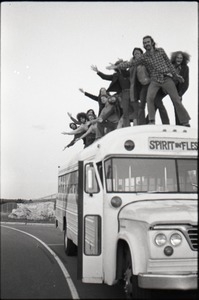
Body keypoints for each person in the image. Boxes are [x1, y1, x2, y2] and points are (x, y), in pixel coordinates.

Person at [107, 35, 191, 127]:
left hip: (166, 78)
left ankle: (185, 121)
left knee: (176, 99)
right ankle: (151, 120)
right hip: (154, 80)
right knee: (149, 98)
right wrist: (116, 66)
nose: (146, 44)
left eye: (148, 42)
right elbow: (131, 63)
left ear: (152, 42)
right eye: (144, 43)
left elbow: (169, 64)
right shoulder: (144, 57)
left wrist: (176, 75)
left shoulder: (161, 51)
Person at [130, 47, 170, 125]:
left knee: (158, 103)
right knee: (141, 105)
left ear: (141, 54)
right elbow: (128, 75)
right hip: (143, 87)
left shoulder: (147, 62)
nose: (136, 54)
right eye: (135, 54)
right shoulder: (134, 66)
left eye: (138, 53)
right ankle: (142, 124)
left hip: (152, 84)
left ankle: (166, 123)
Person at [91, 62, 135, 127]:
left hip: (132, 92)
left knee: (134, 108)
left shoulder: (129, 72)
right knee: (123, 108)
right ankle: (125, 125)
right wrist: (98, 71)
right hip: (122, 94)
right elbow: (105, 77)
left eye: (121, 65)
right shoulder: (116, 75)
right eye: (119, 66)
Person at [170, 51, 190, 125]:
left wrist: (180, 94)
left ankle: (181, 123)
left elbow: (186, 83)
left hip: (177, 89)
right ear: (174, 58)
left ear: (183, 59)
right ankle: (149, 120)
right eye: (177, 57)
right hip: (167, 86)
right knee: (156, 100)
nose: (179, 59)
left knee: (178, 103)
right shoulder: (170, 65)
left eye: (181, 58)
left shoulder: (185, 68)